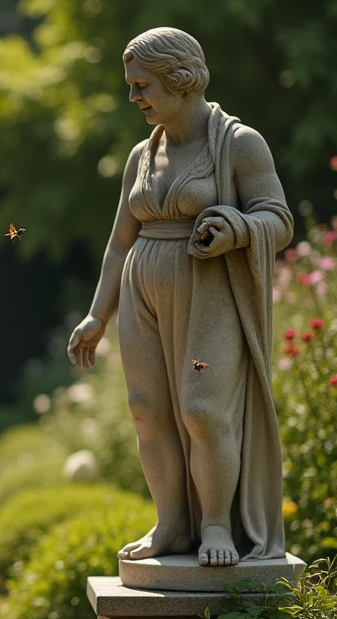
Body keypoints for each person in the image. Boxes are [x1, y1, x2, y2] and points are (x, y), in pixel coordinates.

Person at [66, 27, 292, 567]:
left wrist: (237, 227)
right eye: (131, 85)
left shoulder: (238, 143)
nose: (134, 96)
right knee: (148, 410)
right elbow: (120, 244)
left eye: (142, 85)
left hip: (209, 291)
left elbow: (277, 219)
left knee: (203, 410)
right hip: (144, 292)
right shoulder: (142, 154)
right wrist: (98, 314)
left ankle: (215, 524)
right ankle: (170, 524)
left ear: (182, 80)